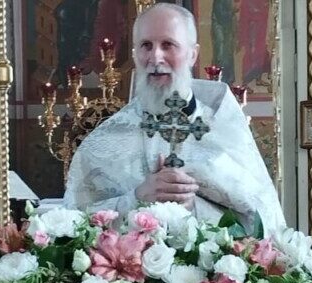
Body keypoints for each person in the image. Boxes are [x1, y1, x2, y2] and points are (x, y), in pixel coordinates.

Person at [63, 3, 285, 233]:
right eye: (146, 46)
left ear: (192, 55)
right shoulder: (104, 143)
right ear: (135, 54)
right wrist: (136, 199)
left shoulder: (224, 131)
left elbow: (265, 227)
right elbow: (71, 228)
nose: (155, 57)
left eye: (168, 45)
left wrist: (193, 207)